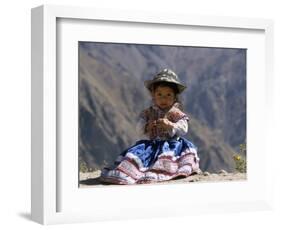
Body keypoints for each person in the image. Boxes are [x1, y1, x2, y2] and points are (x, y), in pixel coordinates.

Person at [99, 68, 200, 185]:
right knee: (135, 157)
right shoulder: (148, 113)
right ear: (153, 95)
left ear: (175, 96)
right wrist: (148, 126)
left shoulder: (175, 113)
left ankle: (167, 171)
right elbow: (139, 128)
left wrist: (171, 125)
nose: (164, 98)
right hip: (152, 145)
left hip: (172, 145)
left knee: (170, 159)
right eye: (160, 94)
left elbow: (184, 128)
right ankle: (131, 173)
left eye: (168, 94)